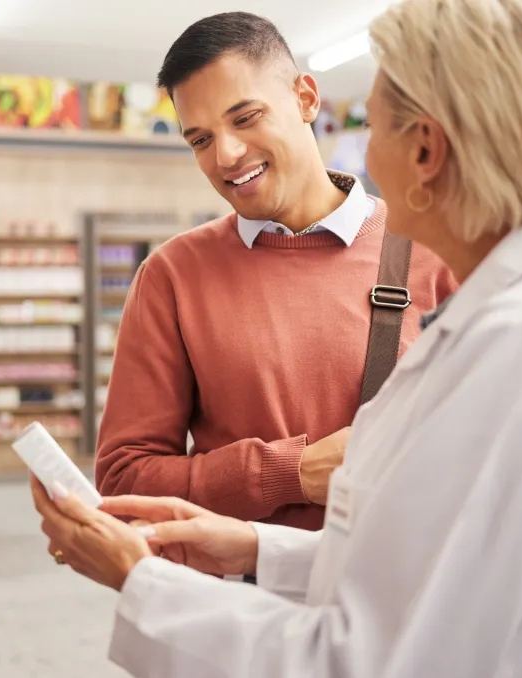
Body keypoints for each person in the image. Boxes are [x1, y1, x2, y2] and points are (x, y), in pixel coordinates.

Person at [34, 0, 522, 675]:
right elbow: (420, 562)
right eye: (199, 137)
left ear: (425, 148)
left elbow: (367, 658)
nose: (364, 151)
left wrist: (143, 582)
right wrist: (254, 545)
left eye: (373, 123)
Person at [95, 12, 455, 529]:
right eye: (200, 139)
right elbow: (125, 480)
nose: (227, 155)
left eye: (245, 118)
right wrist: (292, 473)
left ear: (306, 98)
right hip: (238, 599)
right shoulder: (171, 276)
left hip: (405, 593)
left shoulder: (438, 253)